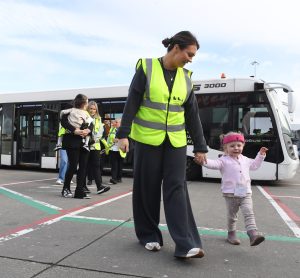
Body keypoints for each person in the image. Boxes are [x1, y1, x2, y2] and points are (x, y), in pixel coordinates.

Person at [117, 31, 208, 258]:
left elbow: (193, 115)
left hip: (175, 142)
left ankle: (186, 244)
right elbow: (132, 102)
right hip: (148, 139)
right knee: (147, 187)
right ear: (175, 48)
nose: (190, 59)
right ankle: (149, 235)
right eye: (189, 53)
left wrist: (200, 146)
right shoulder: (147, 68)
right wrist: (123, 134)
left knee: (177, 187)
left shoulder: (186, 78)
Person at [195, 131, 267, 246]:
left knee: (249, 212)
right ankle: (231, 233)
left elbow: (255, 166)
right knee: (232, 216)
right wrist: (203, 161)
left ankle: (253, 233)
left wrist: (261, 155)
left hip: (245, 192)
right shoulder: (223, 160)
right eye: (232, 146)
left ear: (243, 146)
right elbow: (213, 164)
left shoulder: (246, 160)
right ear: (225, 148)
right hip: (230, 194)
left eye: (239, 145)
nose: (236, 148)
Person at [60, 94, 93, 199]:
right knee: (73, 166)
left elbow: (91, 124)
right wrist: (75, 131)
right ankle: (66, 188)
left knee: (83, 167)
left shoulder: (87, 114)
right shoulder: (69, 111)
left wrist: (88, 130)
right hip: (72, 141)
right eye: (87, 102)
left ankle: (79, 191)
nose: (88, 104)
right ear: (84, 103)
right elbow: (64, 122)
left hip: (84, 143)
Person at [84, 101, 111, 195]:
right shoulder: (84, 117)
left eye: (94, 109)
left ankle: (99, 187)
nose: (92, 110)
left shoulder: (99, 119)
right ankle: (83, 186)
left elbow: (100, 132)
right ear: (87, 108)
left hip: (96, 146)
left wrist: (95, 140)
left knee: (96, 166)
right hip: (86, 145)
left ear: (96, 110)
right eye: (91, 108)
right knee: (84, 166)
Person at [107, 118, 126, 184]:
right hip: (113, 149)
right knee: (114, 165)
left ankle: (119, 178)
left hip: (121, 150)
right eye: (114, 122)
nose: (114, 123)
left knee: (120, 165)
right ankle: (114, 178)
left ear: (121, 123)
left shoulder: (123, 130)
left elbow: (126, 139)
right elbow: (109, 139)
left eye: (116, 122)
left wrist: (119, 140)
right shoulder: (112, 129)